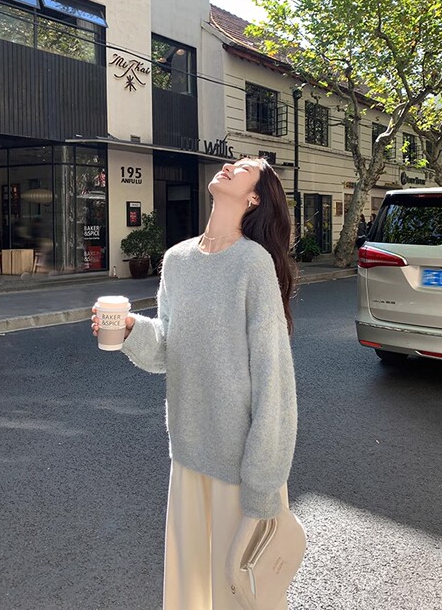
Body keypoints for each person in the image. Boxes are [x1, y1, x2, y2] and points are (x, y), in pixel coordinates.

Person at [92, 158, 298, 610]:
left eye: (243, 168)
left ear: (254, 198)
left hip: (240, 465)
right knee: (191, 591)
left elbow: (275, 379)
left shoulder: (254, 263)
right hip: (187, 455)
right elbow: (167, 351)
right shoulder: (177, 260)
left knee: (238, 594)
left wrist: (262, 485)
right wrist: (130, 329)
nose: (228, 166)